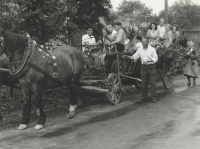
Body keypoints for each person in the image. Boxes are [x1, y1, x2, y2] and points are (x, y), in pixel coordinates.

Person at [122, 37, 158, 103]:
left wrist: (148, 60)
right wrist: (128, 57)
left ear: (148, 42)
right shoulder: (140, 49)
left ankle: (154, 97)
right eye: (143, 42)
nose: (144, 44)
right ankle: (144, 97)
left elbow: (156, 59)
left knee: (152, 82)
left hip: (151, 66)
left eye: (145, 42)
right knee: (144, 82)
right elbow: (135, 56)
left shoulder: (152, 49)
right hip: (143, 67)